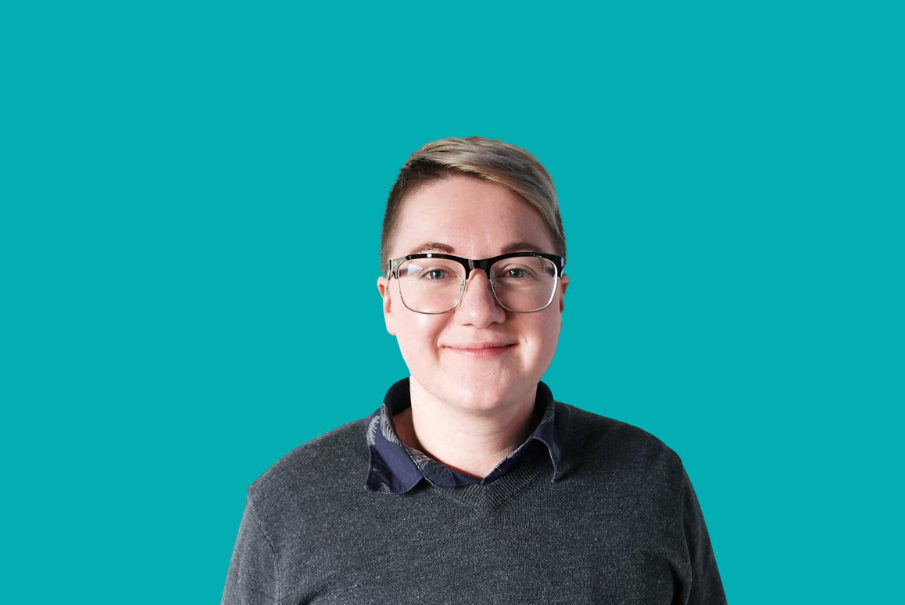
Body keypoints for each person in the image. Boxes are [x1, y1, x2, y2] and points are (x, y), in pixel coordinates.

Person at [222, 137, 726, 604]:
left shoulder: (651, 480)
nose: (480, 309)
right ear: (390, 303)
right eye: (437, 271)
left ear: (560, 298)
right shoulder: (287, 507)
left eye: (517, 270)